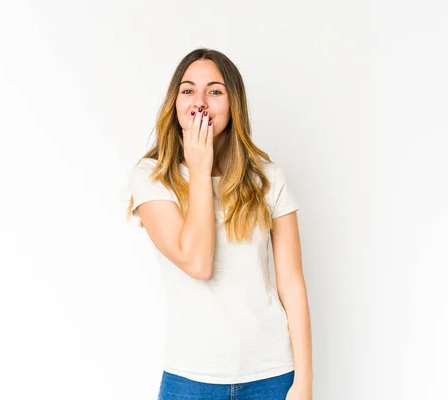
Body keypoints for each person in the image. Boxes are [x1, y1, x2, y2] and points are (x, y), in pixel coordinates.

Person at [126, 48, 313, 400]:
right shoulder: (152, 179)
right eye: (188, 90)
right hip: (190, 380)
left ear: (233, 104)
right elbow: (198, 262)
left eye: (214, 91)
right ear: (175, 103)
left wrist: (304, 383)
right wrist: (199, 168)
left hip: (272, 375)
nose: (200, 102)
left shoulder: (268, 178)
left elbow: (292, 284)